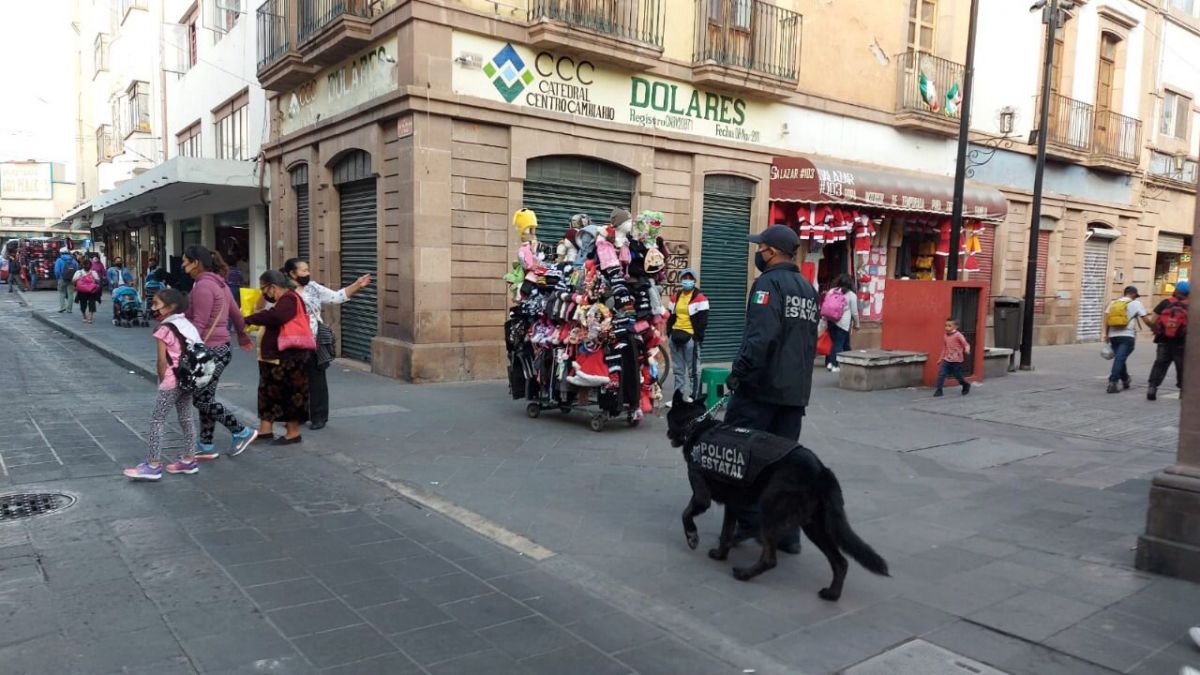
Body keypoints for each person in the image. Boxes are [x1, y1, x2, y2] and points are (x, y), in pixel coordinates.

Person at [724, 224, 819, 555]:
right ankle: (788, 533)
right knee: (783, 465)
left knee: (743, 456)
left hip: (761, 391)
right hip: (794, 394)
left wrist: (739, 373)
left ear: (772, 252)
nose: (758, 253)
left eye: (760, 247)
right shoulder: (808, 288)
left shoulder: (768, 283)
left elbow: (761, 336)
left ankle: (751, 523)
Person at [182, 245, 257, 459]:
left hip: (210, 350)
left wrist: (186, 349)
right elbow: (236, 313)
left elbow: (199, 323)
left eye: (186, 261)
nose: (183, 265)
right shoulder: (220, 284)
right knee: (206, 396)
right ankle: (205, 444)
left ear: (196, 262)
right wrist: (242, 336)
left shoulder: (203, 286)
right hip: (221, 348)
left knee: (201, 400)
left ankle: (241, 431)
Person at [123, 289, 203, 481]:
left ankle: (153, 464)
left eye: (156, 304)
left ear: (170, 307)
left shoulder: (164, 329)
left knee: (157, 420)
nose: (153, 308)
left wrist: (162, 379)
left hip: (171, 380)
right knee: (186, 418)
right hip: (189, 379)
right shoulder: (187, 325)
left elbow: (161, 360)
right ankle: (189, 459)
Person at [282, 258, 372, 430]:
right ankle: (298, 415)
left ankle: (319, 417)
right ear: (292, 273)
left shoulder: (313, 288)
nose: (307, 273)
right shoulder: (283, 290)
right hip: (291, 341)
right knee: (293, 379)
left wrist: (357, 285)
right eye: (303, 271)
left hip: (312, 339)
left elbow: (336, 297)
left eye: (308, 270)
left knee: (316, 379)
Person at [246, 270, 313, 445]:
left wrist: (249, 319)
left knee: (289, 393)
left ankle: (293, 433)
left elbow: (276, 317)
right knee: (268, 392)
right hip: (274, 356)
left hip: (288, 357)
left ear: (273, 287)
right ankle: (265, 429)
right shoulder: (284, 299)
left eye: (264, 289)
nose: (263, 294)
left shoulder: (290, 299)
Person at [666, 269, 708, 404]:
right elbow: (670, 316)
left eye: (690, 278)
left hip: (690, 338)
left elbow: (703, 321)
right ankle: (677, 398)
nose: (687, 281)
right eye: (684, 278)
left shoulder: (700, 297)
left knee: (693, 370)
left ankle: (693, 397)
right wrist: (669, 333)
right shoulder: (676, 296)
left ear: (694, 281)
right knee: (678, 370)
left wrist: (696, 337)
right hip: (675, 336)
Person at [1146, 280, 1189, 401]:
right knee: (1182, 367)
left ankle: (1152, 388)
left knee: (1159, 364)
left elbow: (1153, 321)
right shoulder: (1191, 305)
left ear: (1176, 291)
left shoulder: (1166, 302)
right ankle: (1182, 391)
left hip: (1163, 341)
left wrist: (1156, 331)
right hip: (1182, 342)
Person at [1102, 285, 1149, 394]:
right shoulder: (1136, 304)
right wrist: (1154, 328)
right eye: (1135, 296)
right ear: (1133, 294)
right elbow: (1146, 320)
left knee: (1120, 358)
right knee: (1120, 358)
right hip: (1127, 336)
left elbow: (1106, 318)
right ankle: (1113, 382)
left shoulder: (1113, 303)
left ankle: (1125, 379)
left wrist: (1106, 333)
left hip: (1113, 336)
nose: (1135, 298)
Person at [823, 274, 859, 373]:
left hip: (831, 321)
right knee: (838, 344)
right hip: (843, 323)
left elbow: (826, 305)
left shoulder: (831, 291)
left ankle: (831, 362)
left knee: (837, 342)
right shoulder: (851, 295)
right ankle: (834, 364)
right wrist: (857, 324)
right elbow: (854, 312)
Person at [934, 318, 972, 397]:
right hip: (946, 359)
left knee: (958, 376)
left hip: (957, 361)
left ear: (956, 326)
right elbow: (945, 348)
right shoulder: (945, 336)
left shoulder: (958, 335)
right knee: (941, 374)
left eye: (949, 326)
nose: (947, 327)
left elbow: (966, 344)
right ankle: (939, 390)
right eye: (946, 325)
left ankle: (965, 385)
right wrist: (940, 358)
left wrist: (967, 350)